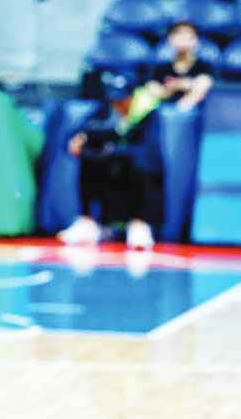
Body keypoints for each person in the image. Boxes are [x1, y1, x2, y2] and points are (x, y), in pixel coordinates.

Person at [59, 72, 163, 250]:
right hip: (108, 173)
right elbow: (77, 133)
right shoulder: (104, 110)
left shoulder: (147, 113)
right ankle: (89, 223)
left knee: (143, 166)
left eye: (123, 99)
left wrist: (115, 151)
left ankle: (139, 226)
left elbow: (149, 151)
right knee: (89, 162)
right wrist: (80, 138)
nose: (119, 104)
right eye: (115, 99)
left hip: (134, 174)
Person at [147, 21, 214, 112]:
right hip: (164, 109)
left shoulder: (204, 67)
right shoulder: (161, 68)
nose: (183, 39)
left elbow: (203, 86)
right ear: (171, 39)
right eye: (179, 34)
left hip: (195, 112)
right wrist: (172, 88)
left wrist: (183, 85)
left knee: (203, 82)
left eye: (189, 35)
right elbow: (154, 88)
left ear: (196, 40)